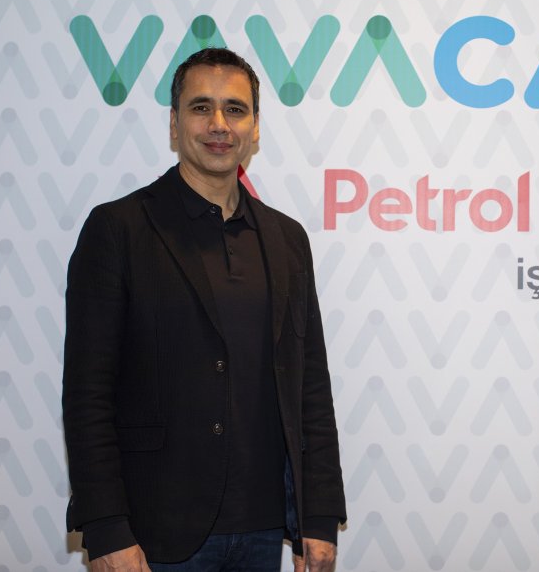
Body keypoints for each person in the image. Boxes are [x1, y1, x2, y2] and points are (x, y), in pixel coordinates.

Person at [62, 47, 346, 571]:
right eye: (200, 107)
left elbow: (310, 386)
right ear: (174, 124)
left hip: (264, 531)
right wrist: (104, 529)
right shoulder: (118, 230)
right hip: (154, 535)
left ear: (255, 128)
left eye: (235, 109)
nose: (219, 124)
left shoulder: (287, 239)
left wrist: (321, 515)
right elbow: (87, 395)